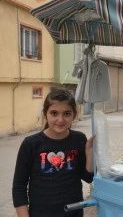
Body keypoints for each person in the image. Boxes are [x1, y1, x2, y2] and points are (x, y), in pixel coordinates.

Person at [12, 88, 94, 217]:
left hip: (73, 212)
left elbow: (88, 177)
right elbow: (19, 187)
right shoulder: (31, 144)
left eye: (66, 114)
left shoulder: (79, 139)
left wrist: (90, 155)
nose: (60, 120)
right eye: (54, 113)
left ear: (74, 115)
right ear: (46, 114)